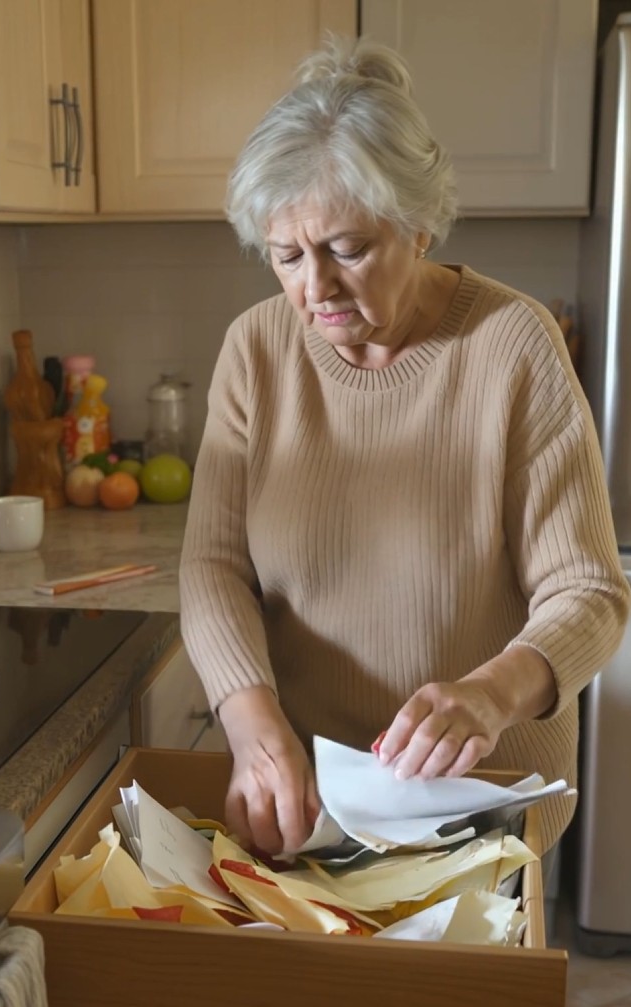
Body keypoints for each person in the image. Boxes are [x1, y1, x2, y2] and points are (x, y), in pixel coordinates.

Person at [179, 37, 630, 860]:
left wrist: (491, 693)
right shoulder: (255, 350)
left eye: (347, 250)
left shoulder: (513, 345)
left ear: (420, 227)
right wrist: (251, 723)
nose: (314, 288)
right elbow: (213, 565)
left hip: (476, 806)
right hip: (307, 799)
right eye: (287, 256)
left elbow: (591, 594)